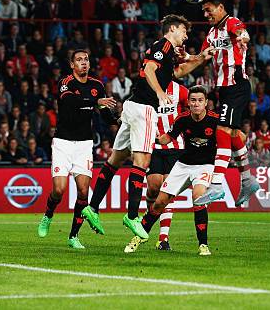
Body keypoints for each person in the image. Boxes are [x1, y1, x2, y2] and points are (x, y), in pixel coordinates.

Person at [83, 14, 211, 242]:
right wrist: (161, 94)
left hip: (131, 106)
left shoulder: (169, 52)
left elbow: (177, 73)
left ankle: (92, 207)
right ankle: (132, 215)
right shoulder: (163, 45)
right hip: (144, 110)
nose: (186, 35)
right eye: (184, 31)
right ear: (172, 29)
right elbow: (150, 69)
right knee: (141, 162)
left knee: (115, 160)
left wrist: (201, 58)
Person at [36, 49, 116, 249]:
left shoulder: (97, 85)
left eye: (86, 60)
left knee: (82, 192)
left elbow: (103, 112)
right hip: (63, 142)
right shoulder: (66, 83)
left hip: (84, 144)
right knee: (59, 190)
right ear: (72, 65)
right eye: (79, 60)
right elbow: (70, 102)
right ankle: (48, 215)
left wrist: (117, 121)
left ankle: (73, 236)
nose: (84, 63)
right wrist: (95, 102)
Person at [125, 86, 217, 256]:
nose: (196, 104)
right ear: (188, 102)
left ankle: (203, 245)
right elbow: (168, 138)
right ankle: (138, 238)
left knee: (198, 197)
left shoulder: (215, 120)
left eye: (200, 101)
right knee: (159, 202)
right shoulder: (182, 119)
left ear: (206, 103)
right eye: (193, 100)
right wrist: (152, 138)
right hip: (183, 165)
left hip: (205, 166)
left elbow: (228, 140)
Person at [196, 0, 260, 207]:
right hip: (223, 90)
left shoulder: (232, 22)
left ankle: (215, 185)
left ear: (220, 7)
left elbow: (242, 32)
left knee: (221, 131)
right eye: (204, 11)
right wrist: (185, 57)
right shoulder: (211, 34)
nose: (206, 14)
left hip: (237, 85)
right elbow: (201, 56)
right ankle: (247, 180)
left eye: (208, 10)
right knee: (233, 134)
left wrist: (243, 37)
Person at [145, 81, 188, 251]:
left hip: (175, 146)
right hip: (153, 145)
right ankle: (149, 217)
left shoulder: (181, 91)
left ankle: (163, 238)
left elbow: (191, 110)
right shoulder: (147, 89)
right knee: (154, 187)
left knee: (167, 190)